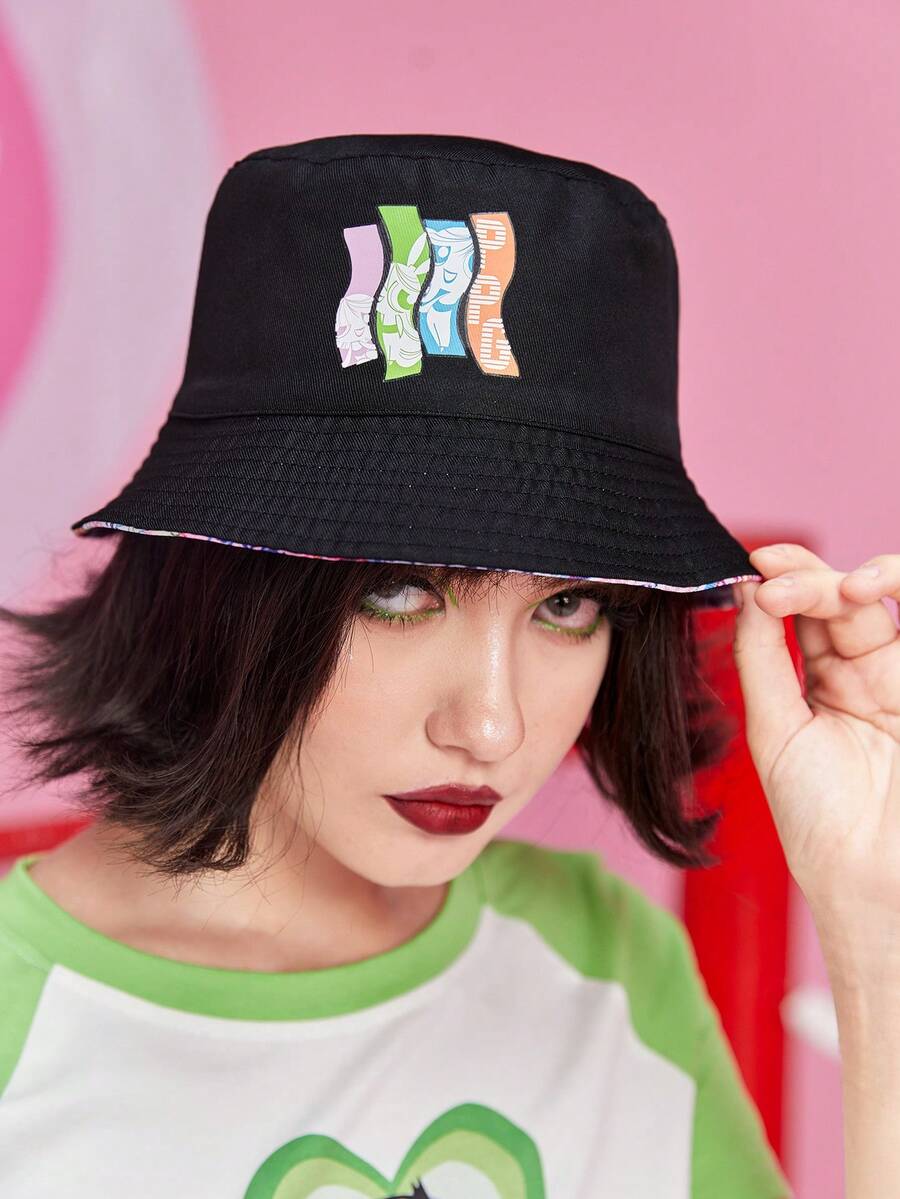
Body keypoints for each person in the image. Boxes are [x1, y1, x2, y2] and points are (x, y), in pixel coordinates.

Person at [0, 133, 895, 1198]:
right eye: (397, 591)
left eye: (567, 604)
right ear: (214, 579)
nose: (490, 726)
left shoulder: (599, 959)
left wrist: (875, 921)